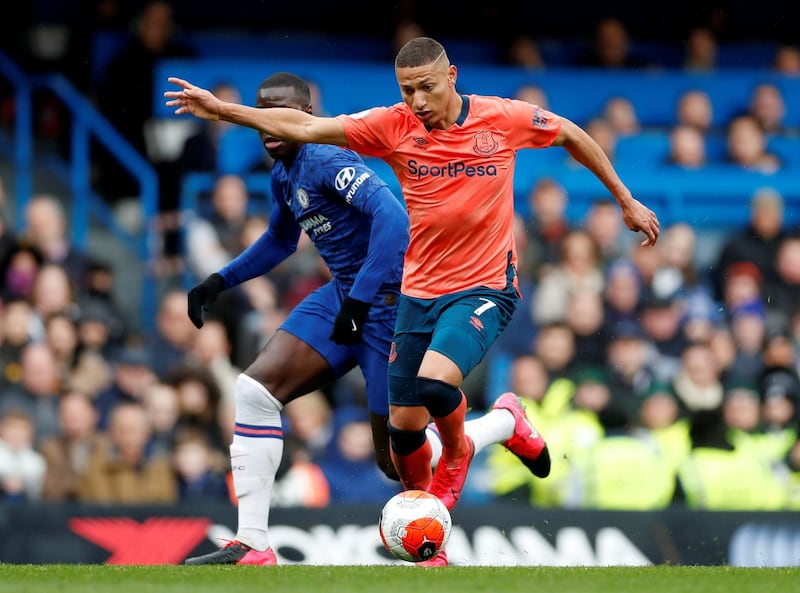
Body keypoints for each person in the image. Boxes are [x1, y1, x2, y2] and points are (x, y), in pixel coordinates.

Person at [167, 37, 658, 559]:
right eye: (407, 90)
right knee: (271, 397)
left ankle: (473, 457)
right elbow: (285, 223)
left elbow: (566, 134)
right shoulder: (364, 136)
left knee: (408, 435)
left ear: (452, 76)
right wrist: (220, 276)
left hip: (428, 292)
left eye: (426, 87)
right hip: (389, 294)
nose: (418, 101)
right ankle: (254, 542)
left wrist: (624, 199)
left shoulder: (495, 119)